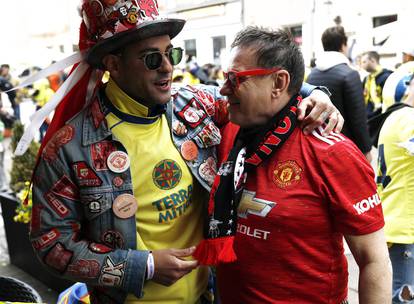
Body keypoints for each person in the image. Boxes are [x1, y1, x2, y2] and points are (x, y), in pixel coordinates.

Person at [28, 1, 342, 303]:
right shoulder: (68, 147)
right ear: (114, 65)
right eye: (152, 58)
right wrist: (145, 266)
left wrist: (313, 92)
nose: (167, 67)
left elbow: (255, 91)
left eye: (171, 53)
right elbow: (51, 244)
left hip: (208, 293)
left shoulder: (194, 106)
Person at [194, 26, 392, 303]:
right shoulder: (227, 129)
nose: (223, 88)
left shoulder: (332, 152)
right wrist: (315, 89)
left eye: (235, 79)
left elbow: (374, 260)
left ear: (278, 83)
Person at [373, 74, 414, 303]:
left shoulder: (395, 116)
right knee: (403, 297)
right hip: (405, 226)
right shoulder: (409, 118)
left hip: (394, 218)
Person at [307, 26, 372, 161]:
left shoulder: (313, 74)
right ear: (343, 45)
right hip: (345, 146)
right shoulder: (349, 74)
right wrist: (366, 149)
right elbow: (358, 118)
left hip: (317, 143)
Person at [360, 51, 393, 117]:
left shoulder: (387, 76)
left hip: (381, 115)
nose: (362, 65)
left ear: (372, 60)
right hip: (368, 116)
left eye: (364, 62)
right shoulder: (366, 79)